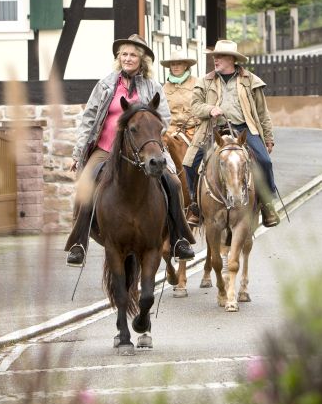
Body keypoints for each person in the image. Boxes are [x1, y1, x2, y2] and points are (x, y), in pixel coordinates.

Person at [65, 34, 196, 267]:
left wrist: (147, 131)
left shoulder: (153, 86)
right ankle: (78, 242)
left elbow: (163, 118)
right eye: (124, 54)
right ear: (118, 58)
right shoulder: (105, 85)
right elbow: (88, 120)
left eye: (133, 55)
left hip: (144, 149)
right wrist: (78, 153)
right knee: (85, 185)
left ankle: (179, 239)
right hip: (106, 148)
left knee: (174, 183)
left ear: (141, 59)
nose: (127, 58)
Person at [182, 39, 280, 227]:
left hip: (245, 129)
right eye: (214, 56)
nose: (215, 60)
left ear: (232, 59)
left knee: (265, 161)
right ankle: (195, 205)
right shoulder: (205, 81)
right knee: (189, 163)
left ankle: (267, 204)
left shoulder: (250, 80)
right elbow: (194, 106)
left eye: (220, 57)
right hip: (213, 130)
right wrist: (210, 109)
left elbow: (262, 112)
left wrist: (268, 138)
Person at [161, 48, 201, 225]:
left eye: (179, 63)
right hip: (169, 130)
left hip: (192, 130)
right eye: (172, 64)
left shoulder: (197, 84)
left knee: (199, 162)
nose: (175, 66)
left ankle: (196, 201)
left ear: (186, 65)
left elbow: (202, 108)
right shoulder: (164, 87)